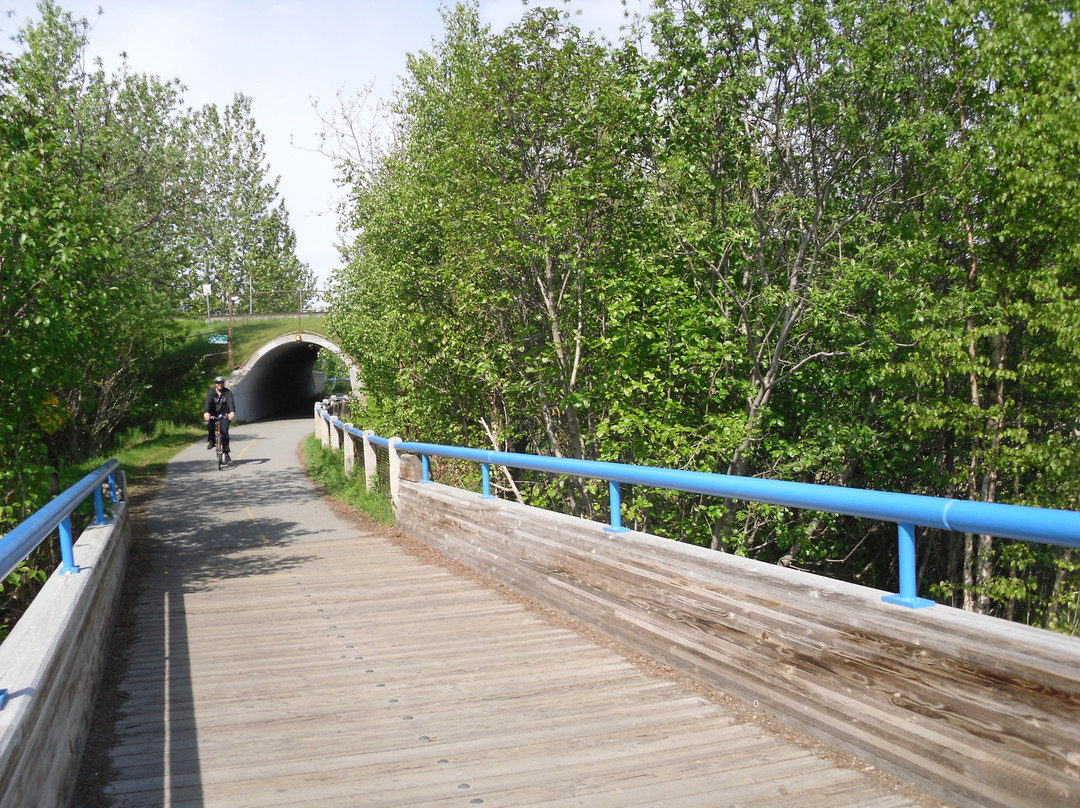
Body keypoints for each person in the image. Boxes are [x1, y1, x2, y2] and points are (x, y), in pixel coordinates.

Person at [203, 375, 236, 461]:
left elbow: (230, 403)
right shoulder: (211, 393)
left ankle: (226, 453)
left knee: (224, 431)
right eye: (218, 383)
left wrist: (232, 412)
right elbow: (208, 403)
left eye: (221, 383)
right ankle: (212, 441)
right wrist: (206, 412)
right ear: (215, 384)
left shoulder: (228, 393)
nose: (219, 384)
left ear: (223, 383)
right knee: (210, 425)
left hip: (224, 414)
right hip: (213, 413)